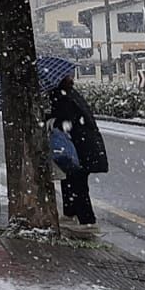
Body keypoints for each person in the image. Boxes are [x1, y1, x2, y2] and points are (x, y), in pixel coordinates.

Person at [47, 74, 109, 231]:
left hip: (80, 148)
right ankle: (70, 213)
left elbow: (65, 120)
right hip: (84, 146)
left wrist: (50, 119)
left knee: (77, 183)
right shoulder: (70, 94)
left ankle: (87, 221)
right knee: (70, 180)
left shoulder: (62, 97)